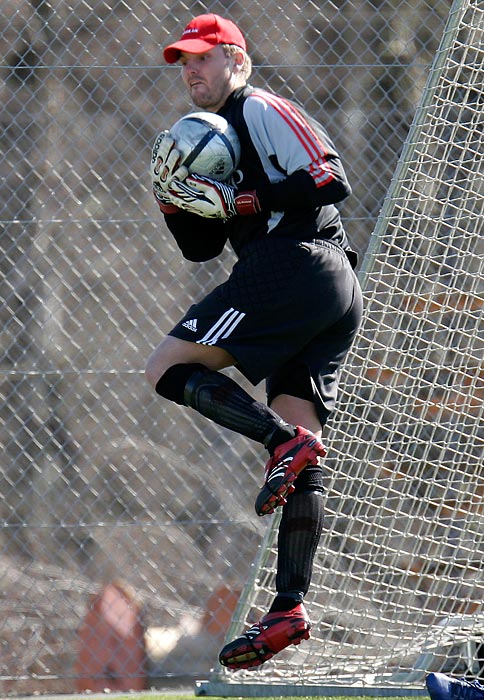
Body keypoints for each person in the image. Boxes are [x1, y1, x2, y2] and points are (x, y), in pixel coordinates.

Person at [145, 13, 363, 670]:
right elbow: (200, 247)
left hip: (299, 262)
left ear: (237, 62)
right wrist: (175, 198)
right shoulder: (203, 136)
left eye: (205, 58)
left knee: (166, 367)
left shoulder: (261, 108)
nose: (192, 71)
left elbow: (331, 178)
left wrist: (235, 202)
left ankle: (277, 442)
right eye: (184, 62)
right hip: (317, 288)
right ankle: (290, 605)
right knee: (307, 449)